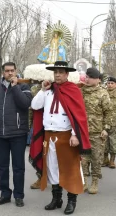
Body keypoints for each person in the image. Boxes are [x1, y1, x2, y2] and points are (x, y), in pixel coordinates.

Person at [30, 61, 91, 215]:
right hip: (49, 135)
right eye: (55, 72)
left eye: (61, 72)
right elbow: (35, 106)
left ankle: (72, 201)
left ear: (66, 74)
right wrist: (43, 90)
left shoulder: (73, 90)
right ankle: (57, 199)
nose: (57, 75)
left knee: (70, 169)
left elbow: (78, 115)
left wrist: (75, 134)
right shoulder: (48, 90)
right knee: (52, 168)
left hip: (66, 136)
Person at [0, 62, 32, 207]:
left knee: (18, 167)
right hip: (0, 134)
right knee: (2, 167)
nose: (9, 73)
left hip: (18, 134)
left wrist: (15, 86)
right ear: (3, 73)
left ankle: (18, 195)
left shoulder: (23, 87)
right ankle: (5, 194)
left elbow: (25, 104)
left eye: (12, 71)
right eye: (7, 71)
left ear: (16, 71)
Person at [81, 68, 113, 194]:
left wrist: (106, 128)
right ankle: (83, 181)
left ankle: (94, 181)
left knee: (96, 158)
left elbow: (108, 112)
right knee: (82, 158)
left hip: (97, 132)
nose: (87, 79)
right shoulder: (81, 91)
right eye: (86, 76)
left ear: (98, 79)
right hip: (82, 131)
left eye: (90, 77)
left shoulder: (102, 93)